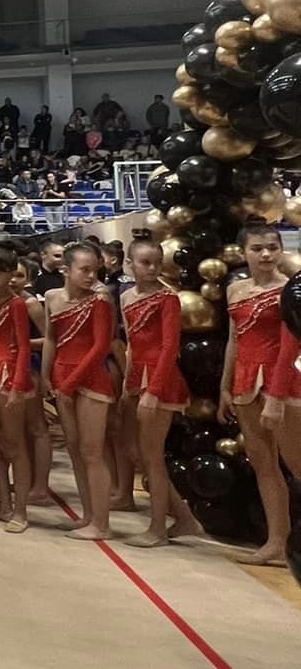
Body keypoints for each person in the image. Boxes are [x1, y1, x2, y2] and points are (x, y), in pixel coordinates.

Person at [221, 222, 301, 566]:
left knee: (297, 465)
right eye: (257, 248)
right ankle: (277, 542)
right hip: (245, 382)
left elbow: (290, 347)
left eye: (272, 247)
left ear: (281, 250)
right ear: (244, 253)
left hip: (284, 382)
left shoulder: (291, 291)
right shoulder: (235, 290)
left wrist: (277, 396)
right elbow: (234, 341)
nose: (266, 254)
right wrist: (225, 386)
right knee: (263, 464)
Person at [121, 234, 201, 547]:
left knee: (152, 457)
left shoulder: (167, 298)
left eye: (157, 263)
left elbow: (170, 347)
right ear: (130, 264)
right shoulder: (126, 297)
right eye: (145, 263)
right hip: (138, 376)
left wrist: (153, 391)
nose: (152, 268)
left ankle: (157, 529)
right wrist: (128, 384)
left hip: (161, 379)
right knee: (142, 454)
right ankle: (184, 518)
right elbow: (131, 344)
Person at [42, 243, 115, 541]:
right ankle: (88, 515)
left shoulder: (100, 300)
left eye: (94, 270)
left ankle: (102, 523)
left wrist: (70, 383)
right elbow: (51, 338)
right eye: (84, 270)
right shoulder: (52, 297)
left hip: (90, 379)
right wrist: (46, 375)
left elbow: (101, 346)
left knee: (92, 451)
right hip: (62, 378)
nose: (91, 276)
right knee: (74, 449)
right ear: (66, 270)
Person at [0, 244, 34, 534]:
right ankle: (3, 502)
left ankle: (20, 510)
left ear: (11, 274)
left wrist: (16, 386)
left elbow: (24, 346)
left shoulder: (17, 304)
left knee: (14, 444)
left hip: (9, 372)